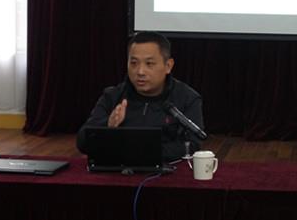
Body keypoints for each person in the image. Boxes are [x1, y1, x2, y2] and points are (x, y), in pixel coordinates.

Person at [76, 31, 203, 162]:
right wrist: (107, 125)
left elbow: (193, 145)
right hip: (119, 170)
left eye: (149, 64)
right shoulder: (113, 96)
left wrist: (139, 152)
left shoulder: (187, 98)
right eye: (134, 63)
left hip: (167, 169)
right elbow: (82, 143)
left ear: (168, 66)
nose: (140, 71)